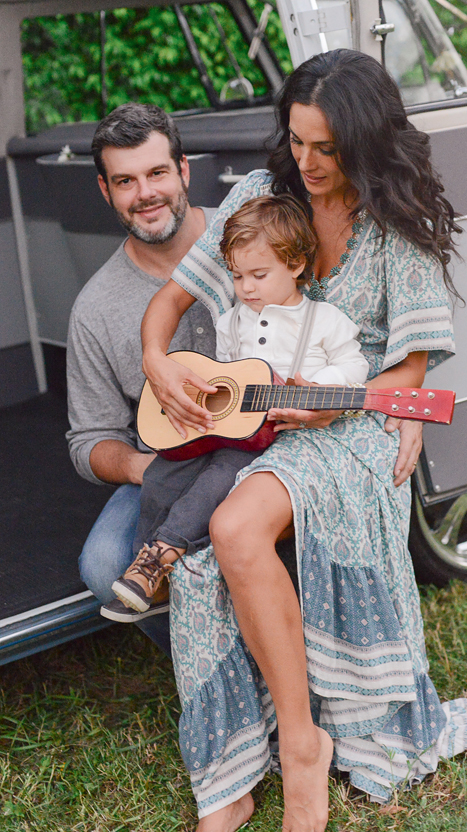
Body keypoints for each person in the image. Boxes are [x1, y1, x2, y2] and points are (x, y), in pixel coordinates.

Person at [139, 50, 467, 832]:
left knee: (231, 526)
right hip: (256, 423)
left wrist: (346, 404)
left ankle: (303, 748)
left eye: (326, 147)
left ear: (366, 140)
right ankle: (233, 767)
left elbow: (411, 373)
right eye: (296, 141)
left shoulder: (402, 225)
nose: (307, 162)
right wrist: (157, 360)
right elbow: (169, 302)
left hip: (354, 424)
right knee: (202, 561)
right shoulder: (262, 195)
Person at [110, 194, 370, 615]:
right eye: (237, 276)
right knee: (162, 476)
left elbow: (355, 365)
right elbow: (229, 373)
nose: (246, 287)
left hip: (277, 441)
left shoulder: (323, 320)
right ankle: (147, 573)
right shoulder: (231, 321)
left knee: (215, 482)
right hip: (229, 430)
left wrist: (319, 385)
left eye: (259, 274)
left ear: (296, 265)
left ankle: (162, 555)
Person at [67, 102, 215, 644]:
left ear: (184, 171)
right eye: (125, 181)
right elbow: (88, 440)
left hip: (270, 445)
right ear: (106, 192)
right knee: (106, 564)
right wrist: (143, 468)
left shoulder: (248, 235)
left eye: (157, 173)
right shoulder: (96, 307)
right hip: (172, 463)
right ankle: (204, 665)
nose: (146, 193)